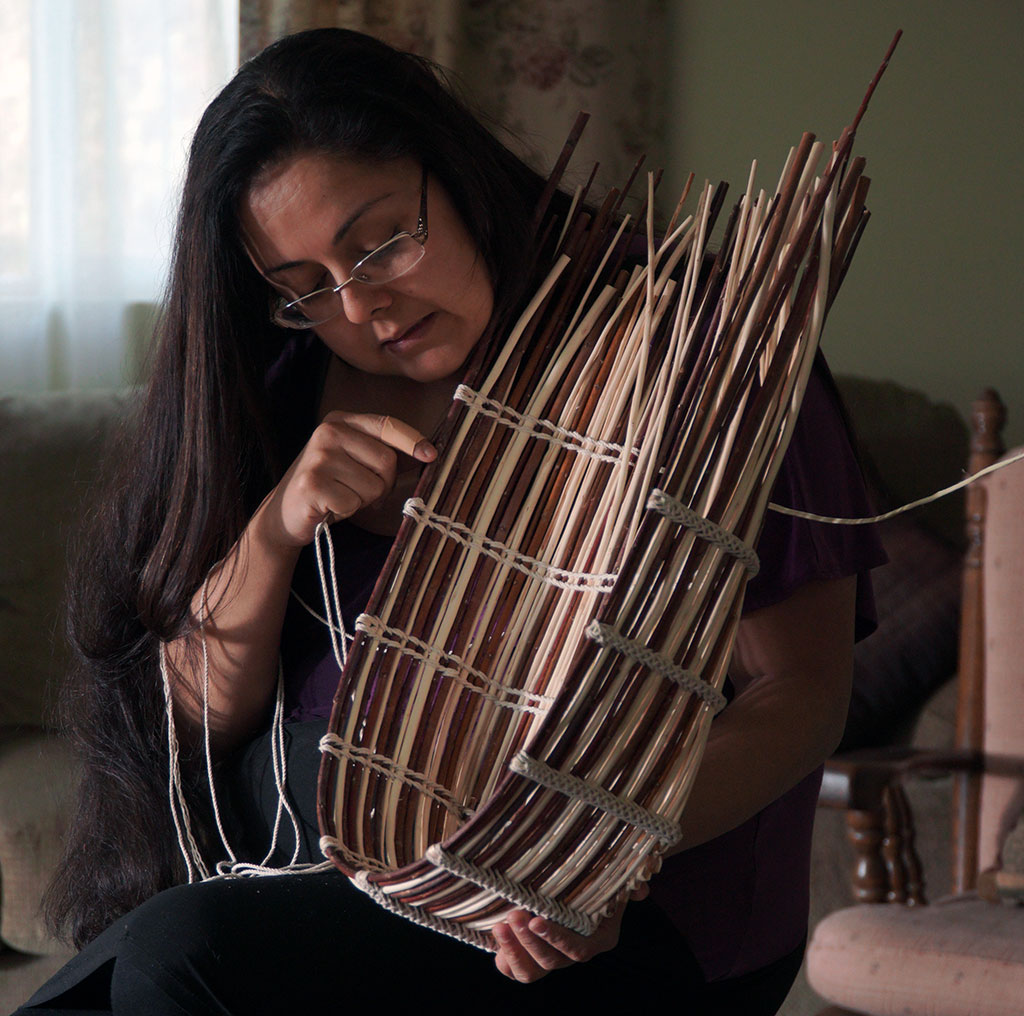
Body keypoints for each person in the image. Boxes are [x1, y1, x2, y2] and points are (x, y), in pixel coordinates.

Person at [17, 27, 885, 1016]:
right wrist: (274, 530)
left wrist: (577, 851)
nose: (362, 305)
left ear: (457, 171)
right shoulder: (284, 386)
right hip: (305, 876)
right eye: (304, 290)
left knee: (182, 954)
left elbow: (798, 694)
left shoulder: (692, 348)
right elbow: (193, 720)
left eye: (382, 238)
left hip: (585, 919)